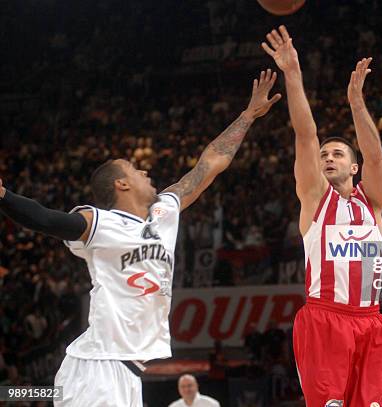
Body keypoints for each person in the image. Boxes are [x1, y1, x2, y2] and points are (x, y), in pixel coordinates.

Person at [0, 71, 281, 407]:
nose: (145, 171)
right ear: (121, 184)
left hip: (126, 371)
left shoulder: (165, 211)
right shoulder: (100, 222)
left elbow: (209, 164)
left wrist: (248, 116)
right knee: (25, 393)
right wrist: (3, 194)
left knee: (31, 394)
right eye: (134, 168)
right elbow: (44, 219)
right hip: (99, 368)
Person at [261, 25, 382, 406]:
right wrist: (292, 73)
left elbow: (377, 155)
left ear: (354, 168)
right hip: (326, 317)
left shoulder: (374, 204)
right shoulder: (316, 199)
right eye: (325, 155)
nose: (328, 158)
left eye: (337, 154)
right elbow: (305, 133)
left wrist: (356, 101)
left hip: (372, 320)